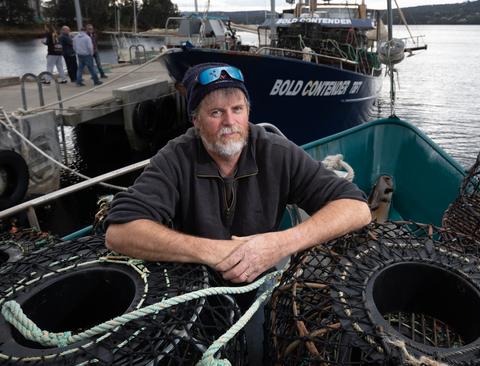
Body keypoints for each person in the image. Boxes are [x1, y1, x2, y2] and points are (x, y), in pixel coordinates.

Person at [105, 63, 370, 365]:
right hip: (191, 289)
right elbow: (120, 231)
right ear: (196, 120)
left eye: (237, 109)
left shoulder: (276, 152)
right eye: (216, 113)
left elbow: (356, 207)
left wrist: (280, 244)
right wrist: (214, 252)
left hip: (259, 284)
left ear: (248, 112)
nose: (229, 121)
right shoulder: (175, 157)